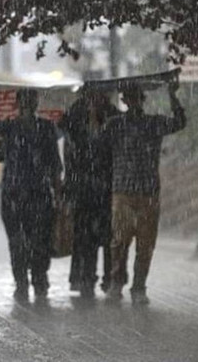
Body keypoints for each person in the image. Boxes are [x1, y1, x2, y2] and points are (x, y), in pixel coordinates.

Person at [0, 88, 62, 303]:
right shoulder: (10, 128)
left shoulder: (46, 128)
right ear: (19, 104)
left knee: (39, 240)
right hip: (15, 194)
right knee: (18, 242)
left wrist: (58, 192)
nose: (28, 105)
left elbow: (53, 164)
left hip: (37, 193)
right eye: (25, 101)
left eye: (31, 101)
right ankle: (23, 282)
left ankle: (38, 279)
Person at [102, 81, 186, 305]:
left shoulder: (153, 123)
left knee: (145, 244)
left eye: (136, 97)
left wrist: (172, 95)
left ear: (141, 99)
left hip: (147, 192)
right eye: (129, 97)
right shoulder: (114, 125)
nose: (133, 101)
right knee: (119, 242)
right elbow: (96, 144)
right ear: (125, 100)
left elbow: (179, 122)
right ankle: (117, 283)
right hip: (123, 191)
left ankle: (139, 286)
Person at [59, 88, 119, 299]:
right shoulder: (76, 117)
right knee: (86, 237)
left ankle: (110, 279)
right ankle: (87, 278)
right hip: (83, 189)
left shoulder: (112, 116)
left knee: (109, 236)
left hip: (107, 188)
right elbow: (65, 132)